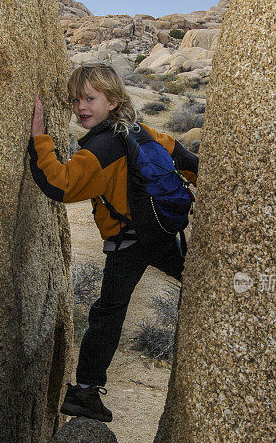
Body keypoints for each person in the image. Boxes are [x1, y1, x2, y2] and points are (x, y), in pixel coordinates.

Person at [29, 63, 198, 423]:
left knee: (108, 313)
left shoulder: (102, 146)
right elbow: (186, 160)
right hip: (164, 233)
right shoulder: (143, 131)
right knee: (202, 281)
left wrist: (38, 137)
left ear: (114, 99)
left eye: (90, 98)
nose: (81, 108)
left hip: (129, 243)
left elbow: (59, 184)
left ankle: (86, 392)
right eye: (75, 101)